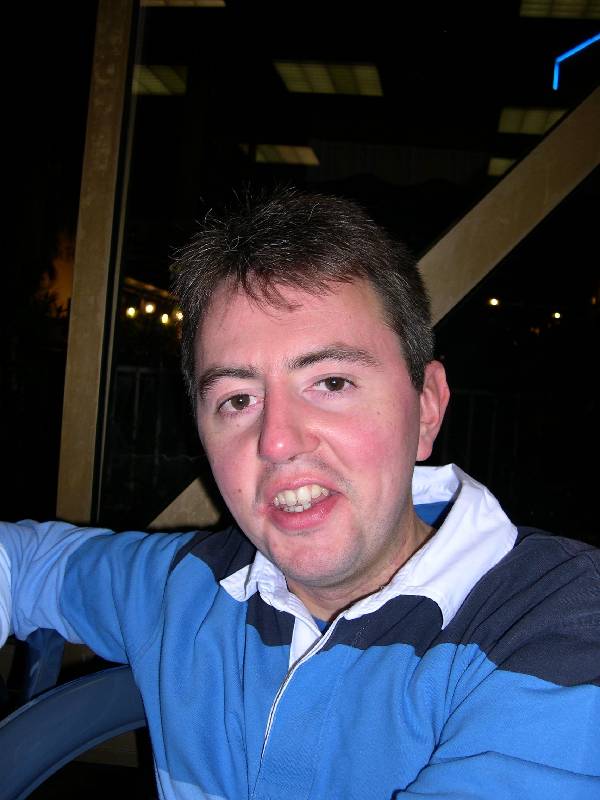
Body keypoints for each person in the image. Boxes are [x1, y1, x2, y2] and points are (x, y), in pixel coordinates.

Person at [1, 188, 598, 799]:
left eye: (331, 382)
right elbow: (21, 563)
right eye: (238, 399)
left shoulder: (558, 621)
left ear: (425, 407)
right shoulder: (186, 586)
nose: (278, 441)